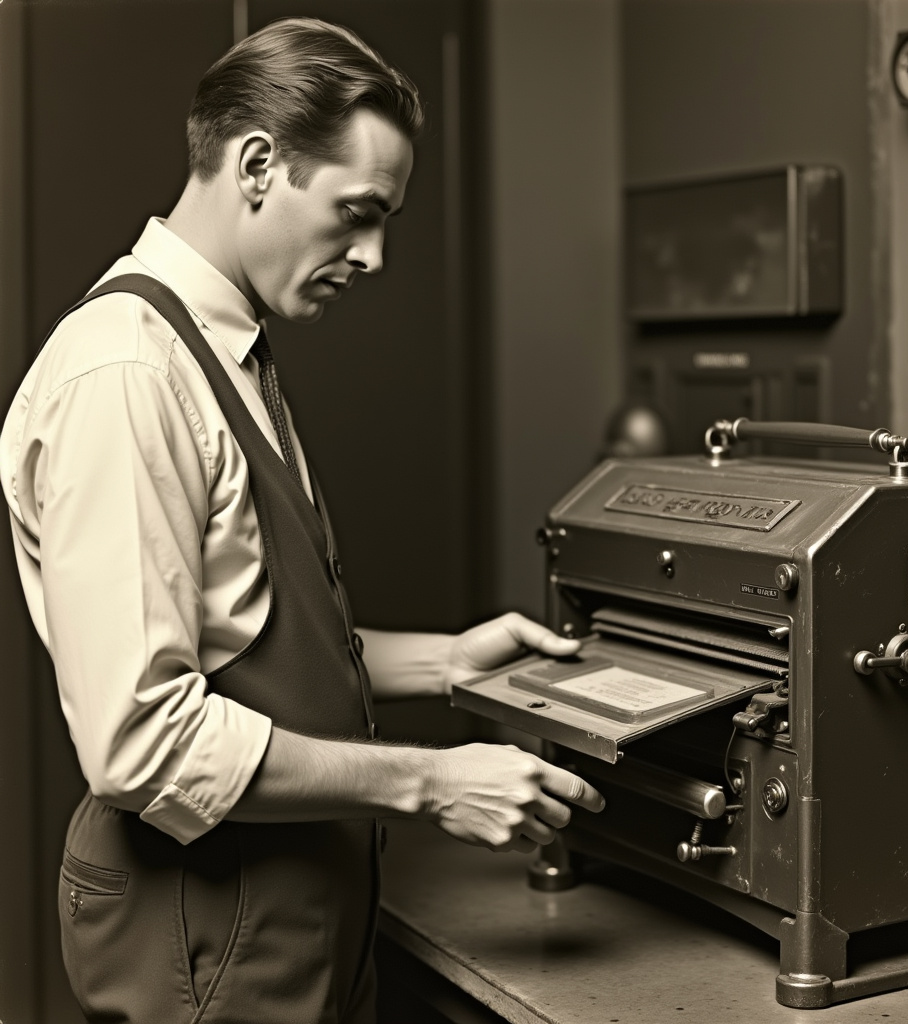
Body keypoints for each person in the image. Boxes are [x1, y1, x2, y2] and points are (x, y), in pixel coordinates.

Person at [0, 18, 603, 1024]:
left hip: (299, 917)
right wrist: (430, 782)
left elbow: (254, 647)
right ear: (257, 165)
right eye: (357, 214)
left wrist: (450, 663)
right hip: (209, 929)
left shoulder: (226, 353)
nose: (373, 255)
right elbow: (143, 742)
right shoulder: (128, 373)